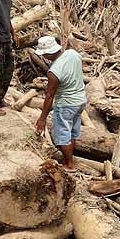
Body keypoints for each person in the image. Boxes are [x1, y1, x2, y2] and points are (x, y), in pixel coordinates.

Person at [33, 35, 87, 169]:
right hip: (80, 100)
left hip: (66, 104)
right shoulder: (73, 54)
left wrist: (42, 118)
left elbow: (50, 96)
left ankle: (69, 164)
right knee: (71, 132)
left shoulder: (54, 72)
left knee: (62, 134)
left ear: (47, 54)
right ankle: (68, 159)